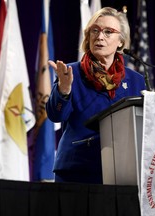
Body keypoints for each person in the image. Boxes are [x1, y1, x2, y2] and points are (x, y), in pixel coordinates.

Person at [46, 7, 146, 184]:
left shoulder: (136, 80)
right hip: (76, 170)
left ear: (121, 41)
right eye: (95, 31)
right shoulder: (71, 72)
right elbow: (56, 115)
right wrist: (64, 89)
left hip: (122, 172)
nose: (100, 37)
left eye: (108, 32)